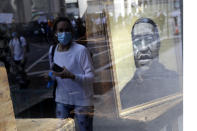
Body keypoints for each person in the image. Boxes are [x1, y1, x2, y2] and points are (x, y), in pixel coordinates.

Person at [120, 18, 181, 109]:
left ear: (158, 43)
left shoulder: (174, 80)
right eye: (137, 41)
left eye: (149, 40)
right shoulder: (124, 94)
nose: (143, 48)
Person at [48, 17, 94, 131]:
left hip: (82, 101)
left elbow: (91, 77)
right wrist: (50, 77)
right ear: (55, 33)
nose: (64, 33)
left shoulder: (81, 51)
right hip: (62, 100)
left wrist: (72, 76)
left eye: (67, 30)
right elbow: (54, 72)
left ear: (72, 32)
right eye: (61, 30)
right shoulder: (53, 50)